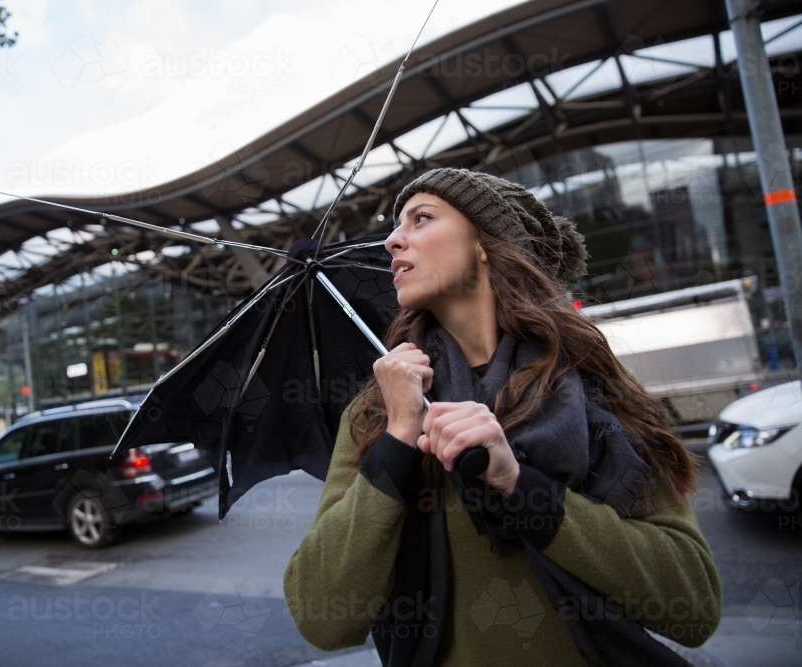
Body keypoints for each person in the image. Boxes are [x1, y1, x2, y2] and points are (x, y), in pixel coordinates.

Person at [284, 168, 722, 666]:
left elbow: (694, 606)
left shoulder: (593, 389)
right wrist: (399, 439)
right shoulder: (381, 409)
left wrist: (521, 485)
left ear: (484, 244)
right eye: (396, 224)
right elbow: (321, 619)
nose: (392, 240)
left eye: (420, 218)